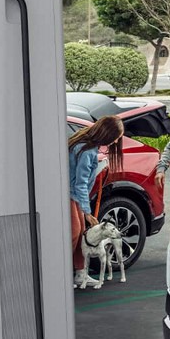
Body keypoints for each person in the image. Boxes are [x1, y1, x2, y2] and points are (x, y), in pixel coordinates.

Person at [68, 117, 125, 283]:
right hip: (71, 196)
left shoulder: (85, 142)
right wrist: (87, 212)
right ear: (107, 134)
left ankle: (80, 273)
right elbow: (81, 183)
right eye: (116, 137)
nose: (116, 141)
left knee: (80, 233)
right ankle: (62, 272)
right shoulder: (87, 151)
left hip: (74, 195)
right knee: (74, 233)